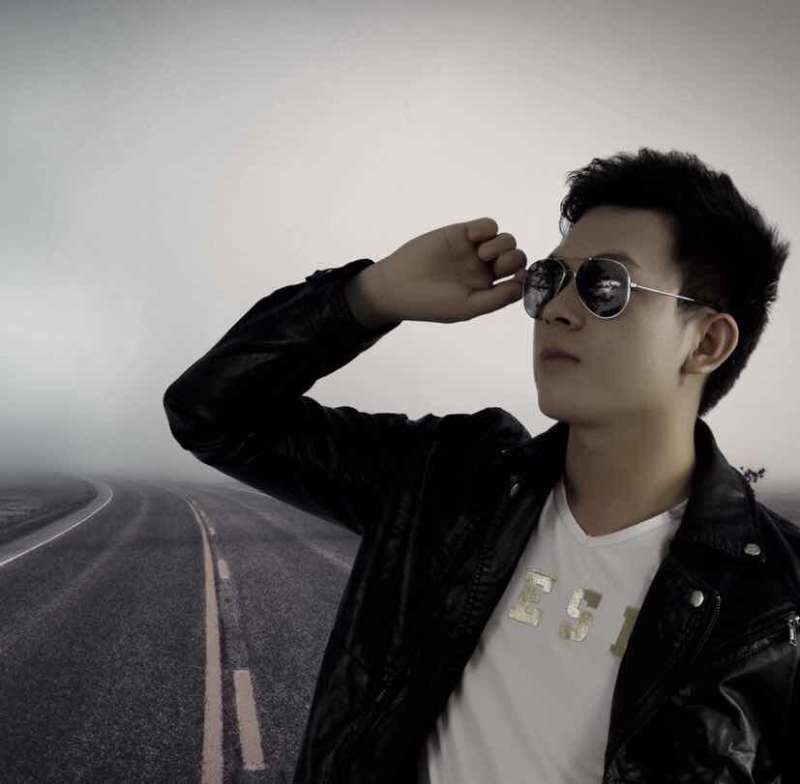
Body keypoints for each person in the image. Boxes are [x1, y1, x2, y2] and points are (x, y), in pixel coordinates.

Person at [163, 147, 800, 783]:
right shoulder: (450, 481)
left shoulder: (778, 608)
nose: (557, 309)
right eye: (550, 279)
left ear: (706, 342)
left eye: (605, 285)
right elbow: (212, 413)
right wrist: (370, 295)